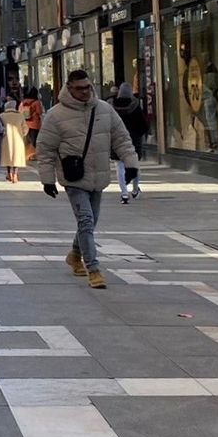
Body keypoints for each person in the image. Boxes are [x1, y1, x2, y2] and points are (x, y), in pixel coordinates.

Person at [36, 69, 138, 290]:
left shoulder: (104, 109)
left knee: (90, 222)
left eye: (87, 87)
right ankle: (94, 269)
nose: (85, 92)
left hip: (99, 175)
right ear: (69, 88)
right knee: (86, 220)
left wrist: (131, 164)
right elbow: (45, 150)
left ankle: (74, 254)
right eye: (79, 88)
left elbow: (122, 139)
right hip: (74, 176)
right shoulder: (56, 115)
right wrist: (47, 179)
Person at [112, 82, 149, 204]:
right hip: (133, 141)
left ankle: (124, 193)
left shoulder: (112, 106)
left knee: (119, 167)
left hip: (117, 140)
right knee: (134, 165)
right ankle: (135, 189)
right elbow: (143, 125)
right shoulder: (135, 106)